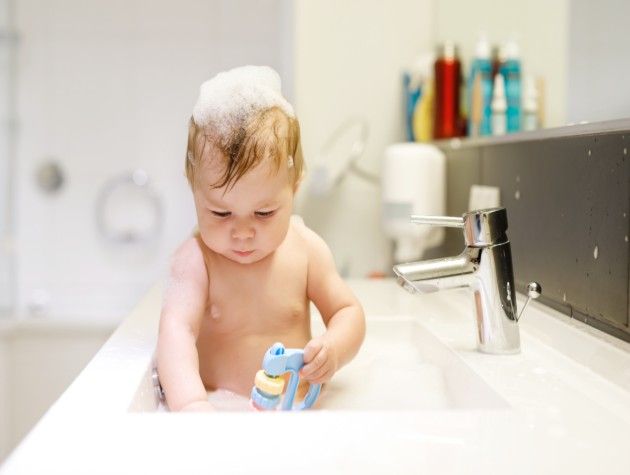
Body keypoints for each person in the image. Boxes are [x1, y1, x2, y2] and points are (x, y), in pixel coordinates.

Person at [156, 65, 366, 411]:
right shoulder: (196, 261)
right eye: (220, 214)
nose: (242, 232)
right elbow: (175, 335)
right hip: (223, 410)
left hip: (296, 411)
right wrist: (193, 406)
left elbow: (348, 311)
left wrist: (335, 349)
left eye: (264, 213)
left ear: (294, 189)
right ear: (193, 190)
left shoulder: (306, 249)